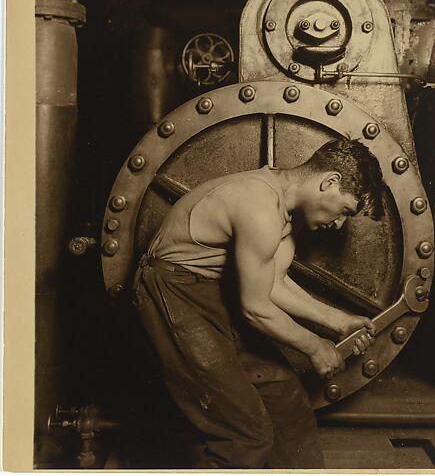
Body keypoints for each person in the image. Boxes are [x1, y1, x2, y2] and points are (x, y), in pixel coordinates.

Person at [132, 137, 385, 469]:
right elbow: (254, 308)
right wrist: (315, 346)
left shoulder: (284, 214)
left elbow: (273, 285)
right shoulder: (259, 206)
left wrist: (339, 321)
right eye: (345, 211)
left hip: (209, 291)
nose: (339, 224)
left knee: (285, 399)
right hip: (171, 291)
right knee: (245, 435)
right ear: (330, 182)